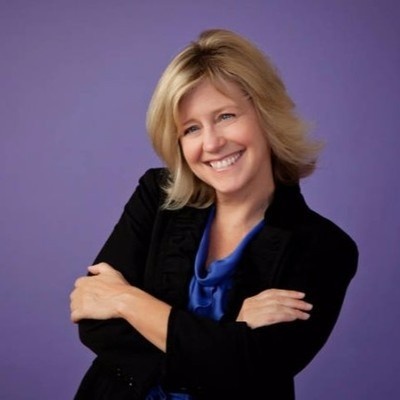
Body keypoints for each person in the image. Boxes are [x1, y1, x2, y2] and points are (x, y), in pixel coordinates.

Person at [70, 28, 358, 400]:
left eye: (225, 116)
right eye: (191, 128)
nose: (211, 143)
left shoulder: (324, 248)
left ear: (265, 114)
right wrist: (227, 336)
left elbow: (254, 368)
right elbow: (95, 324)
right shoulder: (156, 196)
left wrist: (127, 301)